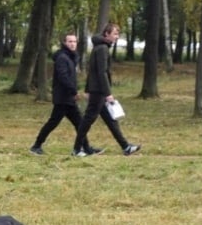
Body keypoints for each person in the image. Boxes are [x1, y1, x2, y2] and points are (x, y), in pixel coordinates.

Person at [72, 22, 140, 157]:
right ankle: (77, 149)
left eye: (118, 34)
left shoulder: (99, 47)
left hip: (97, 90)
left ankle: (125, 146)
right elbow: (101, 72)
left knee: (110, 120)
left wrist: (88, 89)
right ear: (106, 34)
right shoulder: (102, 48)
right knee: (88, 120)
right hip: (99, 91)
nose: (117, 36)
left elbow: (92, 71)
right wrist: (107, 93)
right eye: (114, 34)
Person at [30, 33, 101, 156]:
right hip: (62, 98)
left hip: (69, 98)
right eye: (70, 41)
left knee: (79, 123)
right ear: (64, 43)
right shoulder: (62, 58)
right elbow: (63, 77)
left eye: (74, 41)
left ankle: (86, 148)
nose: (72, 44)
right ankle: (36, 146)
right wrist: (74, 91)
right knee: (53, 122)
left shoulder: (70, 57)